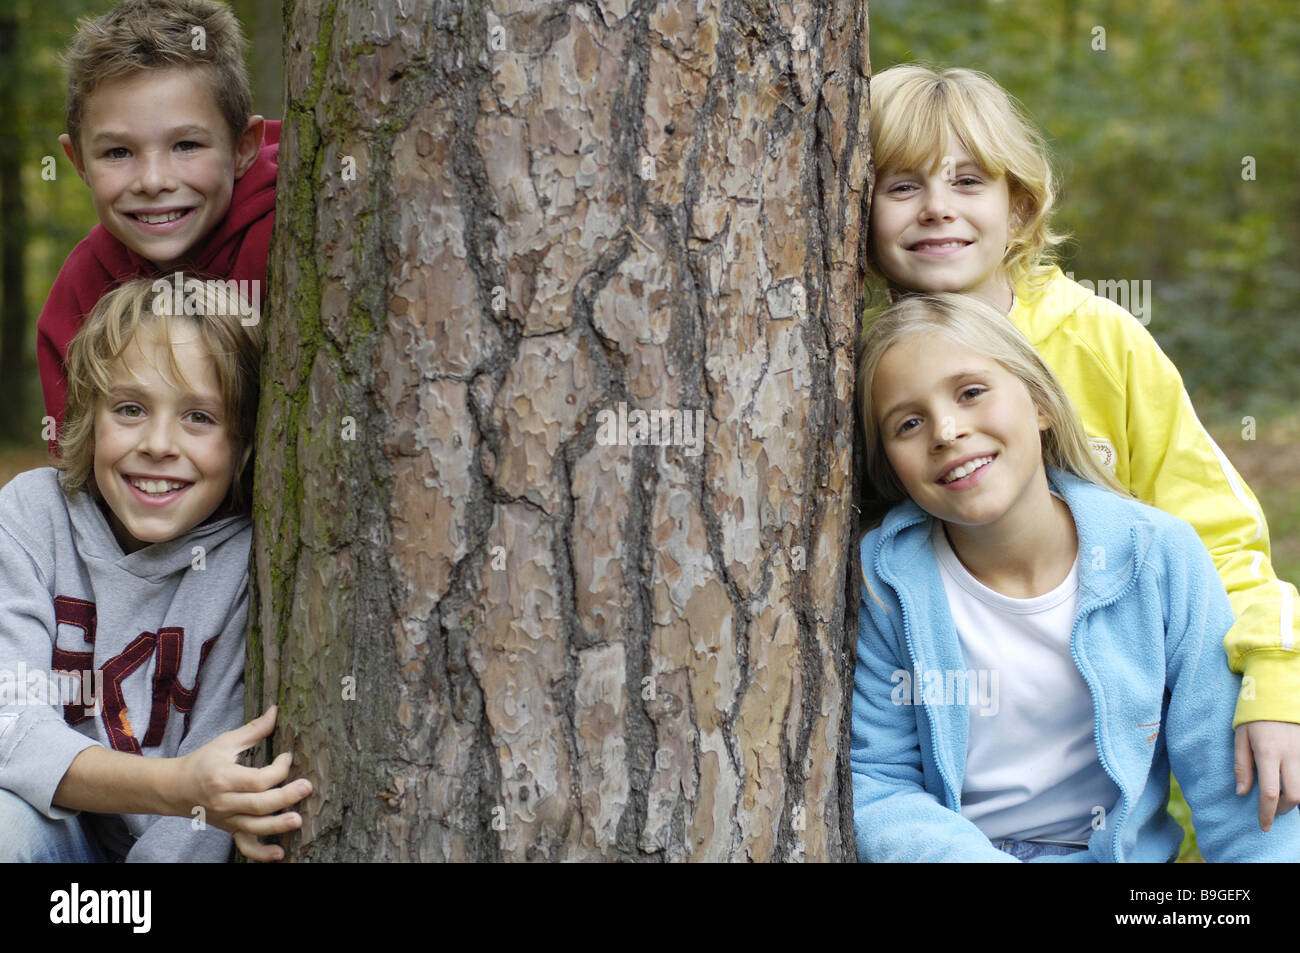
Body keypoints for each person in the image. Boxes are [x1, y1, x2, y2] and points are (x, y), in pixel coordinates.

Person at [866, 64, 1300, 830]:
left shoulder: (1100, 339)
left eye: (968, 181)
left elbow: (1216, 537)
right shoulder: (856, 364)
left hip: (1126, 726)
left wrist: (1276, 678)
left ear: (1019, 206)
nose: (937, 209)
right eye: (902, 187)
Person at [850, 292, 1300, 861]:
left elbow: (1232, 787)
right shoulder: (887, 581)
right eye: (907, 423)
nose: (945, 430)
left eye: (971, 393)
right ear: (889, 462)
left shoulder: (1157, 557)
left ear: (1040, 405)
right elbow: (878, 781)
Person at [0, 276, 307, 862]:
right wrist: (179, 786)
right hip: (43, 835)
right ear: (89, 414)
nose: (159, 444)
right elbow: (10, 728)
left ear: (244, 441)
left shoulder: (251, 563)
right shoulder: (31, 517)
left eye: (199, 417)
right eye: (131, 409)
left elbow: (216, 792)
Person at [38, 0, 279, 438]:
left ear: (244, 146)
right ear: (78, 163)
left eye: (186, 145)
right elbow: (75, 459)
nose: (152, 181)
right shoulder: (80, 292)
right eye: (118, 152)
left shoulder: (291, 237)